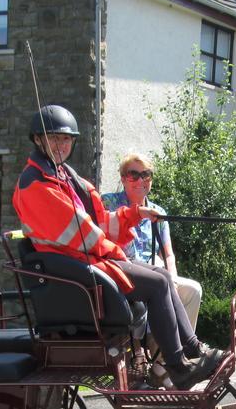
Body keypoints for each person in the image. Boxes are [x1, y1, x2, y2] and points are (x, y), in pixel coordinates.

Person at [12, 104, 222, 390]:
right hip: (75, 270)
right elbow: (84, 235)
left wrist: (135, 214)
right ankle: (178, 367)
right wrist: (119, 253)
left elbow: (98, 221)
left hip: (83, 262)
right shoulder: (37, 185)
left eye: (66, 139)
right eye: (54, 138)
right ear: (38, 139)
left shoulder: (62, 176)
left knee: (161, 277)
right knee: (157, 284)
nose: (61, 144)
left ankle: (192, 349)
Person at [101, 152, 203, 326]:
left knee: (193, 290)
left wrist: (173, 278)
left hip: (157, 274)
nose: (140, 180)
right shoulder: (108, 203)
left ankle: (180, 348)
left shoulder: (158, 213)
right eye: (134, 175)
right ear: (123, 179)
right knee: (157, 290)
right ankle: (162, 347)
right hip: (124, 277)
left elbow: (168, 254)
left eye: (145, 175)